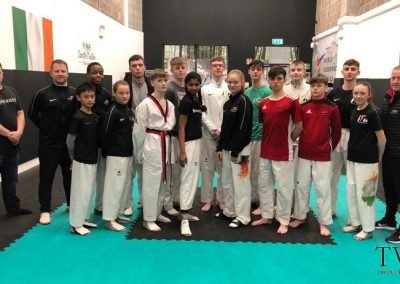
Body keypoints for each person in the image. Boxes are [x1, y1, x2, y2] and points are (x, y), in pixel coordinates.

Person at [289, 73, 341, 236]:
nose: (316, 89)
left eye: (319, 86)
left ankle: (324, 222)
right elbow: (298, 128)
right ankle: (300, 216)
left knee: (322, 189)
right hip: (304, 153)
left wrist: (328, 148)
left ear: (326, 88)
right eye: (313, 86)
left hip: (323, 155)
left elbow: (337, 133)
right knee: (301, 186)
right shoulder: (304, 107)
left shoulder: (332, 108)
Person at [251, 66, 302, 234]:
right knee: (264, 185)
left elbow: (299, 126)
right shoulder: (264, 103)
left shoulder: (291, 102)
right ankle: (266, 215)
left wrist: (289, 139)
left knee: (284, 188)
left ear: (284, 80)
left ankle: (284, 220)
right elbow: (264, 125)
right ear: (269, 81)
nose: (275, 82)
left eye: (279, 78)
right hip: (265, 149)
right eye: (272, 79)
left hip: (283, 151)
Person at [29, 59, 75, 225]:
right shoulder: (42, 94)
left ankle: (71, 204)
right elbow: (33, 114)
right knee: (46, 178)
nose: (60, 74)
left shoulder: (74, 93)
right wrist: (46, 129)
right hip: (48, 145)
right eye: (57, 71)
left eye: (63, 71)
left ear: (68, 72)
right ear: (51, 73)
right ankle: (45, 210)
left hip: (68, 145)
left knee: (69, 176)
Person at [341, 81, 386, 241]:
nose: (358, 96)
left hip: (368, 162)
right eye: (356, 93)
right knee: (351, 191)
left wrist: (378, 158)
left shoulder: (372, 113)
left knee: (366, 195)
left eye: (362, 93)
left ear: (369, 95)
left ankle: (367, 229)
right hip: (352, 158)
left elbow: (381, 138)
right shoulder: (354, 111)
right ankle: (355, 222)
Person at [136, 69, 176, 231]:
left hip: (165, 141)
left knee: (163, 181)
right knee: (151, 182)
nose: (163, 83)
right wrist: (139, 152)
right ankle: (148, 218)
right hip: (151, 142)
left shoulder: (170, 104)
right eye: (159, 80)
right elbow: (139, 130)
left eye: (165, 80)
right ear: (152, 83)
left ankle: (157, 212)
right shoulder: (145, 104)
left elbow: (170, 124)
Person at [215, 69, 253, 229]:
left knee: (242, 182)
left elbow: (245, 129)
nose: (232, 84)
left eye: (235, 82)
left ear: (242, 83)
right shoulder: (228, 103)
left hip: (241, 152)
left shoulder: (244, 101)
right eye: (229, 81)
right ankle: (230, 211)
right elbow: (225, 128)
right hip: (227, 150)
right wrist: (219, 147)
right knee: (227, 182)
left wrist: (236, 151)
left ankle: (243, 216)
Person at [328, 59, 360, 217]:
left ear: (358, 72)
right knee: (331, 175)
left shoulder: (360, 93)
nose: (349, 71)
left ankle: (353, 216)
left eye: (353, 69)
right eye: (346, 68)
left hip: (354, 137)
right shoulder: (334, 93)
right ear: (342, 72)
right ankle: (330, 210)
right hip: (335, 135)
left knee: (352, 178)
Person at [101, 80, 134, 232]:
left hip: (127, 154)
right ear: (114, 93)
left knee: (122, 186)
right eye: (121, 93)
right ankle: (109, 219)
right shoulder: (112, 110)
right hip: (115, 155)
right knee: (113, 186)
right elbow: (105, 133)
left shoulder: (127, 110)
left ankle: (116, 214)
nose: (125, 96)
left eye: (127, 93)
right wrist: (106, 153)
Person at [0, 63, 32, 216]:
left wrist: (19, 132)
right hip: (4, 143)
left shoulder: (11, 91)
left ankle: (13, 209)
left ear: (2, 73)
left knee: (11, 180)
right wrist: (10, 134)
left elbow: (20, 113)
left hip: (12, 147)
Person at [123, 54, 154, 214]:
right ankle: (128, 203)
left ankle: (143, 200)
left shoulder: (151, 84)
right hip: (129, 131)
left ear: (144, 66)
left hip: (147, 132)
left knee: (144, 169)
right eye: (134, 65)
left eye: (140, 65)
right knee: (130, 170)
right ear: (130, 68)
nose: (137, 68)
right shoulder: (125, 84)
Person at [67, 82, 99, 235]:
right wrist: (73, 158)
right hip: (80, 160)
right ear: (78, 98)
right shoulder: (77, 117)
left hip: (93, 158)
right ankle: (75, 223)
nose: (90, 99)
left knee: (89, 191)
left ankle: (83, 218)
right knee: (80, 191)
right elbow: (70, 141)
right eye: (86, 97)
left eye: (92, 96)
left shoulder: (94, 116)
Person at [81, 62, 112, 216]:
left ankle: (99, 206)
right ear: (88, 74)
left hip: (103, 142)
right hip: (86, 143)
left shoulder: (107, 94)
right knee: (87, 180)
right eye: (94, 72)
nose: (98, 75)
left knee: (103, 176)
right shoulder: (81, 93)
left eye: (101, 72)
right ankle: (83, 212)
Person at [178, 72, 206, 236]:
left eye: (196, 84)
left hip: (197, 142)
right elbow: (181, 127)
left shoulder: (196, 99)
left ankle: (186, 211)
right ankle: (183, 218)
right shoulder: (186, 102)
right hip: (188, 144)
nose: (194, 87)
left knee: (193, 178)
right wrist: (182, 151)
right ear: (186, 86)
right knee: (187, 180)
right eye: (191, 85)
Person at [200, 56, 229, 212]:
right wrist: (212, 128)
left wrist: (223, 130)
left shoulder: (229, 88)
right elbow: (201, 112)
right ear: (210, 68)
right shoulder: (204, 89)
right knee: (207, 167)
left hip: (225, 135)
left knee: (224, 169)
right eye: (214, 65)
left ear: (224, 68)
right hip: (208, 133)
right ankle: (207, 200)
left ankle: (222, 199)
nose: (217, 68)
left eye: (220, 65)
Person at [245, 60, 272, 216]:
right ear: (249, 71)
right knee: (247, 169)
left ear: (262, 72)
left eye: (258, 69)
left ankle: (263, 202)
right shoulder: (247, 92)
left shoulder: (267, 92)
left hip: (261, 136)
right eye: (253, 69)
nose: (255, 72)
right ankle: (252, 198)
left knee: (261, 171)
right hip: (248, 137)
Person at [378, 66, 400, 244]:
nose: (395, 81)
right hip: (388, 152)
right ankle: (389, 219)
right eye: (393, 77)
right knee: (389, 189)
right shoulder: (388, 98)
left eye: (399, 78)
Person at [164, 57, 188, 216]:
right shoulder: (169, 88)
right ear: (171, 69)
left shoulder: (188, 87)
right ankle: (167, 202)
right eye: (177, 67)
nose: (180, 70)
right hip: (172, 134)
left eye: (182, 67)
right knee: (170, 169)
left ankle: (178, 198)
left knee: (181, 169)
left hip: (184, 133)